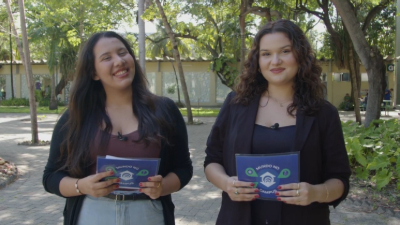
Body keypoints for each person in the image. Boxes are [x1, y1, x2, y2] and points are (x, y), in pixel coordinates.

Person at [204, 20, 351, 225]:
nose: (275, 61)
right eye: (266, 54)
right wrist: (227, 183)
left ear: (300, 55)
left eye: (284, 51)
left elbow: (340, 180)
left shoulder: (324, 113)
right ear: (257, 61)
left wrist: (316, 192)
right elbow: (212, 160)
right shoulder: (235, 104)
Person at [42, 31, 193, 225]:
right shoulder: (75, 117)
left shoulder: (165, 110)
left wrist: (162, 187)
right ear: (93, 72)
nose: (119, 61)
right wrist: (82, 186)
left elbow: (183, 169)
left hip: (148, 214)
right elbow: (51, 177)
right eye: (107, 58)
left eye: (122, 53)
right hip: (92, 214)